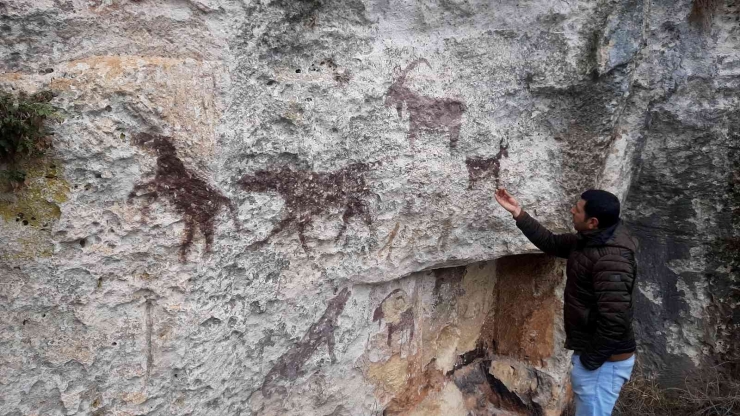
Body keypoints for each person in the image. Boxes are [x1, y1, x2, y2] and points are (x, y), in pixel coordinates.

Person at [494, 188, 637, 416]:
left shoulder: (612, 260)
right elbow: (551, 243)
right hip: (598, 358)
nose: (572, 210)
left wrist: (588, 363)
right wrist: (518, 213)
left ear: (592, 221)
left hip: (604, 364)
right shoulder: (591, 241)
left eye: (577, 209)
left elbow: (616, 320)